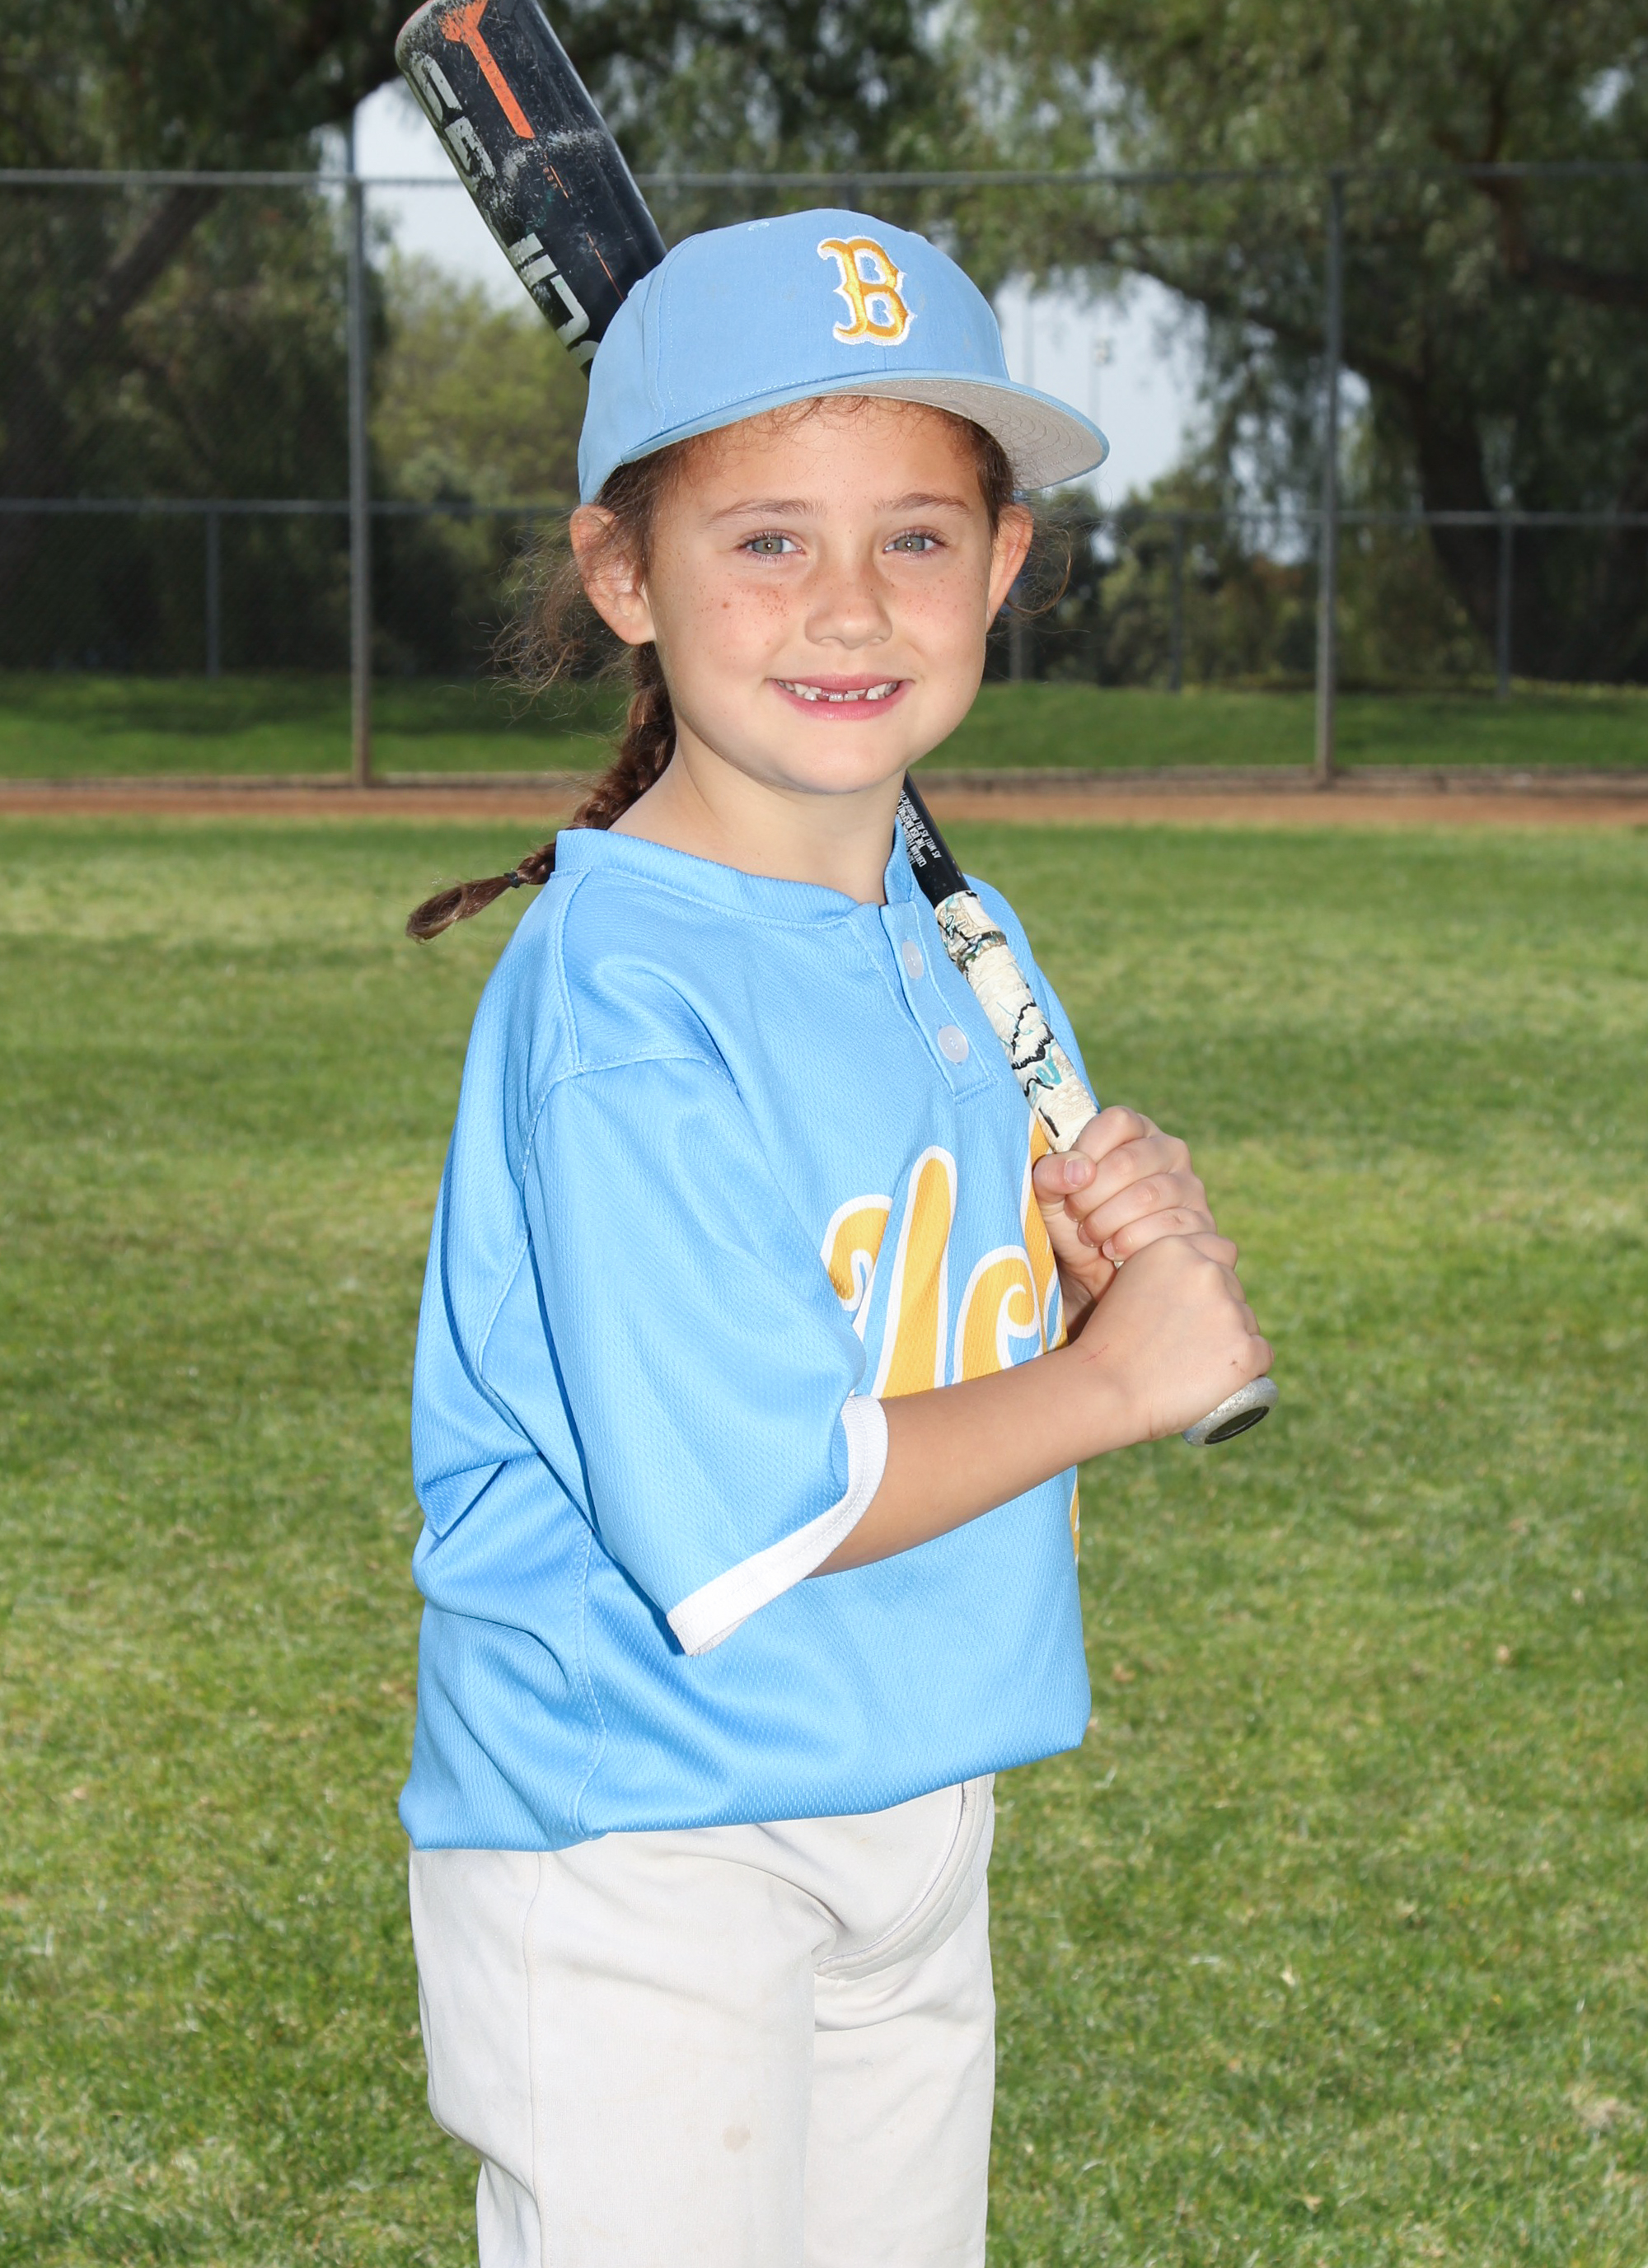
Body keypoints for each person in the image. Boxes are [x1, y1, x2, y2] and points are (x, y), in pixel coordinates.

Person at [400, 209, 1271, 2268]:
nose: (851, 602)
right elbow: (749, 1508)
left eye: (917, 535)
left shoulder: (947, 927)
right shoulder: (621, 1003)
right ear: (624, 573)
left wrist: (1089, 1271)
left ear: (1005, 564)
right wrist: (1104, 1384)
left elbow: (927, 1312)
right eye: (767, 537)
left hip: (910, 1776)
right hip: (645, 1831)